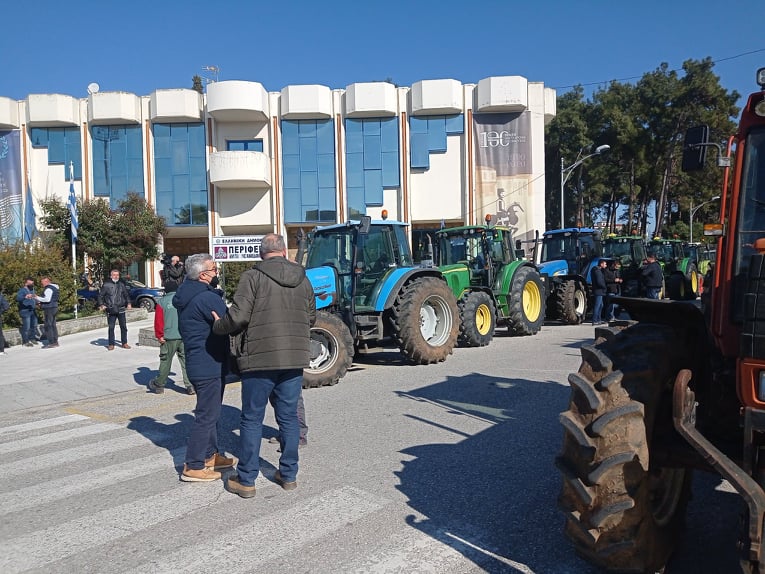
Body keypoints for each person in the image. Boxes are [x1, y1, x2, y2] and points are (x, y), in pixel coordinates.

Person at [212, 233, 316, 499]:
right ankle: (288, 474)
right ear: (283, 252)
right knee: (289, 417)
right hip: (293, 359)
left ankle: (247, 480)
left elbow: (238, 317)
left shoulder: (252, 277)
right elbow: (311, 316)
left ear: (261, 254)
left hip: (259, 359)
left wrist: (218, 324)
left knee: (251, 418)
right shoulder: (303, 278)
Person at [173, 253, 234, 482]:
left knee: (211, 412)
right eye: (213, 269)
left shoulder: (187, 294)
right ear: (203, 275)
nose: (216, 272)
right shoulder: (206, 298)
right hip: (208, 363)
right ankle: (194, 465)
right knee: (206, 416)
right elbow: (229, 321)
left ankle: (210, 455)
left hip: (200, 361)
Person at [148, 284, 194, 395]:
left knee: (165, 361)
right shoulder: (183, 301)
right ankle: (190, 385)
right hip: (183, 336)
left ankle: (159, 384)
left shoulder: (162, 302)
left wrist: (159, 335)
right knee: (186, 361)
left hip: (168, 337)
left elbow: (159, 321)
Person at [98, 270, 132, 351]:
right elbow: (100, 296)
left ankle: (124, 343)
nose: (116, 276)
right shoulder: (106, 285)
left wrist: (129, 303)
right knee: (111, 327)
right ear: (111, 276)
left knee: (123, 327)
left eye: (117, 275)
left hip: (121, 308)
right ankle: (111, 344)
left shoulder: (121, 284)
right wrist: (101, 305)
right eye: (114, 275)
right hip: (111, 309)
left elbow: (126, 295)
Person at [32, 276, 60, 349]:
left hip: (49, 308)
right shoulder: (54, 287)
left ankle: (52, 342)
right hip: (54, 307)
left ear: (47, 281)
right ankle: (55, 341)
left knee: (48, 326)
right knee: (53, 325)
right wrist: (41, 302)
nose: (42, 284)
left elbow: (47, 299)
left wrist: (36, 297)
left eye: (42, 283)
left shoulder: (48, 288)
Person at [16, 278, 40, 347]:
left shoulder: (32, 290)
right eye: (30, 284)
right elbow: (18, 298)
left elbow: (33, 298)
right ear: (26, 283)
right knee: (27, 327)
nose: (32, 285)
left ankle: (32, 338)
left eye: (32, 283)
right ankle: (26, 341)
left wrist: (37, 302)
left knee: (34, 325)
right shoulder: (22, 290)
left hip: (32, 310)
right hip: (25, 311)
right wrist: (25, 296)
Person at [590, 259, 608, 325]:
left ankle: (599, 319)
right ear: (601, 264)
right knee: (597, 305)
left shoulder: (597, 270)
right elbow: (599, 281)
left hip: (599, 290)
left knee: (601, 305)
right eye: (605, 264)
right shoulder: (597, 271)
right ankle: (595, 320)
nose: (606, 266)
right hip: (599, 290)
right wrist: (604, 287)